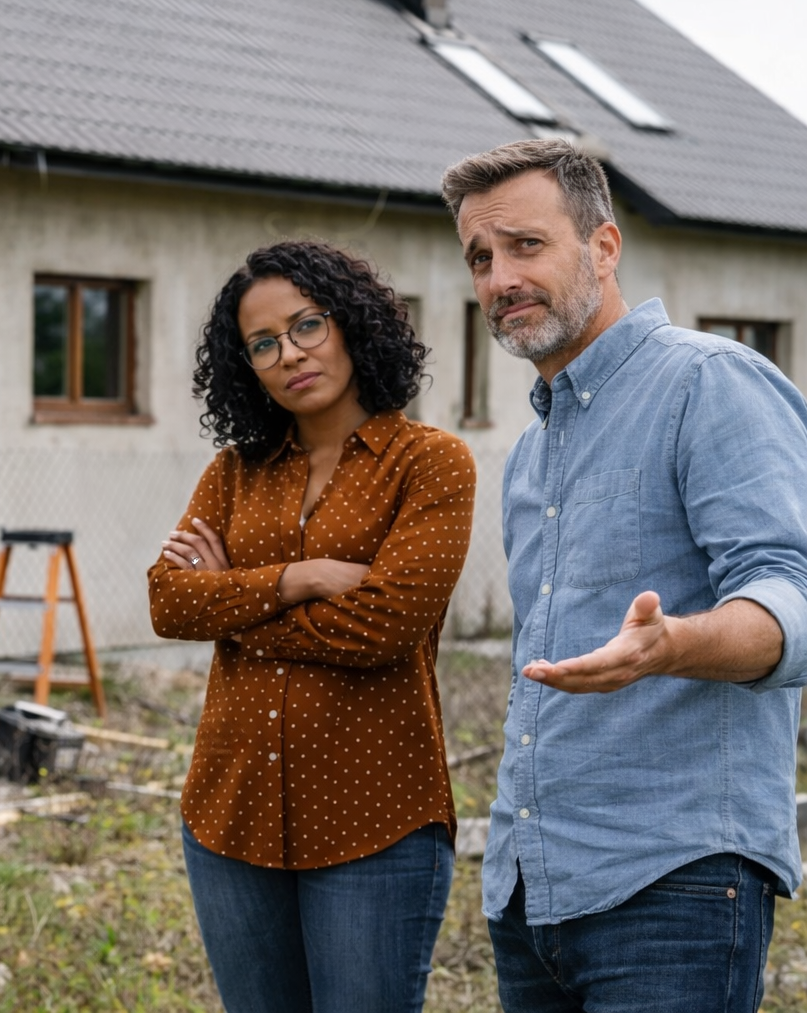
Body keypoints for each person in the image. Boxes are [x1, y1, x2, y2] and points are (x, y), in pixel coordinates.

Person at [441, 138, 807, 1012]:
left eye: (526, 246)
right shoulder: (533, 451)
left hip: (674, 885)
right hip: (535, 892)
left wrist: (672, 644)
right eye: (480, 259)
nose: (499, 280)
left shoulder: (707, 381)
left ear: (603, 248)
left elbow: (791, 593)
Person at [148, 240, 476, 1012]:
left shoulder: (430, 465)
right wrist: (298, 579)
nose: (288, 353)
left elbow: (384, 628)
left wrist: (232, 600)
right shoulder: (234, 471)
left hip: (376, 824)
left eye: (306, 326)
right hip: (230, 816)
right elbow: (168, 602)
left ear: (351, 325)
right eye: (263, 343)